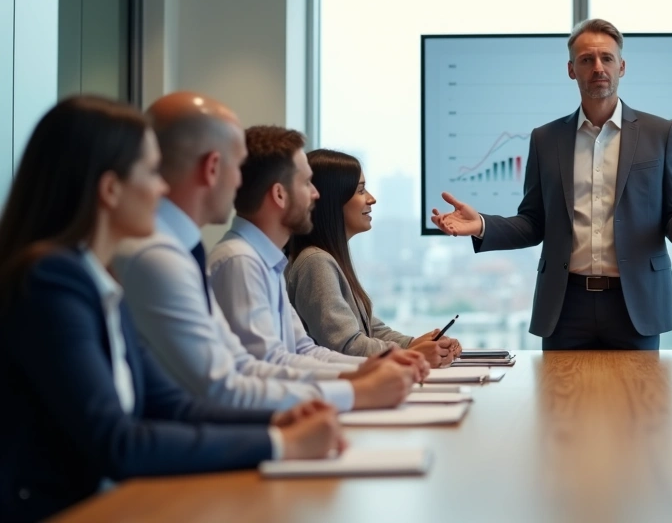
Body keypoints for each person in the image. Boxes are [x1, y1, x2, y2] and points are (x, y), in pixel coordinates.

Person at [0, 97, 342, 522]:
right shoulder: (51, 283)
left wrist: (283, 417)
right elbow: (119, 442)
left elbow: (173, 406)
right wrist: (279, 444)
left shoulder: (98, 280)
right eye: (150, 171)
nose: (163, 188)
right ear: (110, 189)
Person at [113, 93, 425, 412]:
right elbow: (226, 382)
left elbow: (283, 354)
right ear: (213, 168)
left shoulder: (252, 259)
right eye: (237, 166)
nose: (241, 182)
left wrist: (360, 374)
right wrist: (354, 390)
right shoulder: (219, 260)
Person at [430, 18, 672, 350]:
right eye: (587, 60)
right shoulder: (546, 139)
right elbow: (533, 223)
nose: (598, 67)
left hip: (635, 304)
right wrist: (481, 224)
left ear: (622, 66)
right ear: (571, 69)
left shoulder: (660, 134)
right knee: (559, 401)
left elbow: (671, 221)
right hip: (565, 306)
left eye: (607, 58)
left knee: (637, 401)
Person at [210, 126, 453, 369]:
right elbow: (270, 366)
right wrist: (406, 357)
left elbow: (304, 350)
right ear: (280, 195)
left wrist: (408, 350)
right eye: (306, 183)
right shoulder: (243, 262)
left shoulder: (268, 261)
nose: (315, 194)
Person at [287, 149, 462, 358]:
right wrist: (414, 352)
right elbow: (347, 345)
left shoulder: (329, 258)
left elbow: (370, 328)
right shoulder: (316, 262)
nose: (371, 199)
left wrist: (414, 344)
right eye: (361, 190)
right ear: (333, 200)